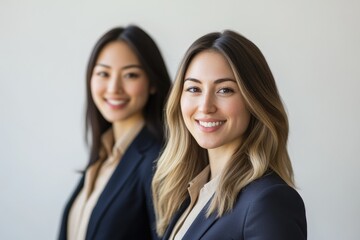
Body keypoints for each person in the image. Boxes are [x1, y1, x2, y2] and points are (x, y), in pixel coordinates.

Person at [152, 30, 307, 240]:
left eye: (224, 90)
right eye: (194, 89)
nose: (205, 106)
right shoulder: (189, 192)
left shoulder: (269, 201)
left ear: (254, 102)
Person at [58, 25, 171, 240]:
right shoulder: (103, 155)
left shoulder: (158, 160)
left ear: (152, 83)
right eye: (103, 73)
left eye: (130, 75)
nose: (113, 88)